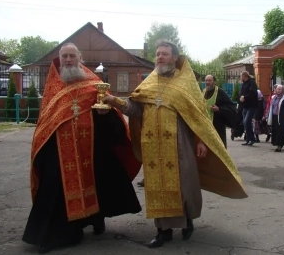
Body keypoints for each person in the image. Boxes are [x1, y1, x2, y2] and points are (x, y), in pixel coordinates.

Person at [103, 39, 247, 248]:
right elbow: (135, 110)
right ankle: (163, 231)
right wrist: (113, 100)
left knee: (184, 186)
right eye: (158, 53)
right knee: (157, 188)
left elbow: (199, 117)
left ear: (175, 58)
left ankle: (187, 221)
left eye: (165, 54)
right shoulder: (149, 83)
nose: (160, 57)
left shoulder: (185, 84)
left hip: (181, 145)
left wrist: (201, 142)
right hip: (153, 147)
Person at [22, 43, 142, 254]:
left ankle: (96, 219)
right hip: (60, 150)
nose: (68, 60)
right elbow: (46, 121)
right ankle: (60, 233)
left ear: (80, 58)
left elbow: (109, 114)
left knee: (98, 181)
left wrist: (104, 116)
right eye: (65, 56)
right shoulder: (54, 88)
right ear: (60, 59)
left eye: (72, 56)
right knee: (56, 188)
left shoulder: (94, 83)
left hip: (93, 148)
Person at [203, 75, 237, 148]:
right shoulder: (203, 92)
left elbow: (231, 107)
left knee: (219, 148)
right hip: (205, 126)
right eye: (206, 80)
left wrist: (219, 109)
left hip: (217, 125)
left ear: (214, 82)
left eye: (209, 80)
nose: (207, 82)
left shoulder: (220, 92)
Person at [266, 85, 284, 152]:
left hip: (282, 117)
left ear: (282, 90)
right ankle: (277, 143)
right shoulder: (274, 97)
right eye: (277, 89)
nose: (278, 90)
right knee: (276, 131)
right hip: (274, 116)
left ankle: (279, 146)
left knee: (281, 131)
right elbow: (270, 107)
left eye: (280, 89)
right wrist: (267, 115)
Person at [239, 71, 258, 146]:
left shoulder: (252, 83)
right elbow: (241, 92)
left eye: (241, 77)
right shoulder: (244, 83)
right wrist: (240, 97)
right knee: (245, 122)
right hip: (245, 106)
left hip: (252, 105)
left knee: (247, 121)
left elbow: (253, 93)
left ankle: (252, 139)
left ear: (244, 76)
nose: (241, 78)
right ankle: (248, 139)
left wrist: (245, 97)